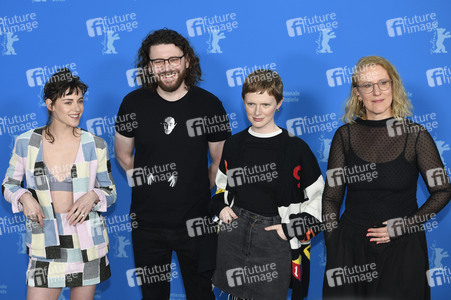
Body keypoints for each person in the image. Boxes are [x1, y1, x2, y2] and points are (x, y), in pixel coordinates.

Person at [114, 28, 231, 300]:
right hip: (147, 225)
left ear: (187, 60)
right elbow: (123, 155)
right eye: (158, 62)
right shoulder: (132, 104)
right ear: (149, 66)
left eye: (173, 59)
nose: (166, 68)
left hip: (198, 223)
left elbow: (219, 162)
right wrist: (147, 185)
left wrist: (197, 190)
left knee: (202, 294)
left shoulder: (209, 105)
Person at [322, 55, 451, 299]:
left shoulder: (416, 136)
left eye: (383, 83)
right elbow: (331, 198)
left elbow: (443, 191)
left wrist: (403, 226)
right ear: (357, 92)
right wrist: (335, 244)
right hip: (351, 252)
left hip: (402, 251)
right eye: (367, 85)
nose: (376, 91)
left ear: (393, 85)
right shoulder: (345, 136)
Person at [2, 68, 116, 300]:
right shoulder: (27, 142)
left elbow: (110, 191)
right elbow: (8, 184)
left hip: (86, 242)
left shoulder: (95, 144)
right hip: (46, 240)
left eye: (80, 101)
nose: (76, 108)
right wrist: (24, 197)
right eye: (68, 102)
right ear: (50, 104)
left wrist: (92, 195)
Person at [209, 69, 324, 300]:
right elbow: (222, 187)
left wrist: (289, 229)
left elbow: (319, 202)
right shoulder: (233, 144)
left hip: (275, 238)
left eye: (266, 104)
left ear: (279, 103)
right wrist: (221, 208)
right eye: (251, 104)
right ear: (243, 101)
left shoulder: (296, 149)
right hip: (234, 232)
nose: (257, 112)